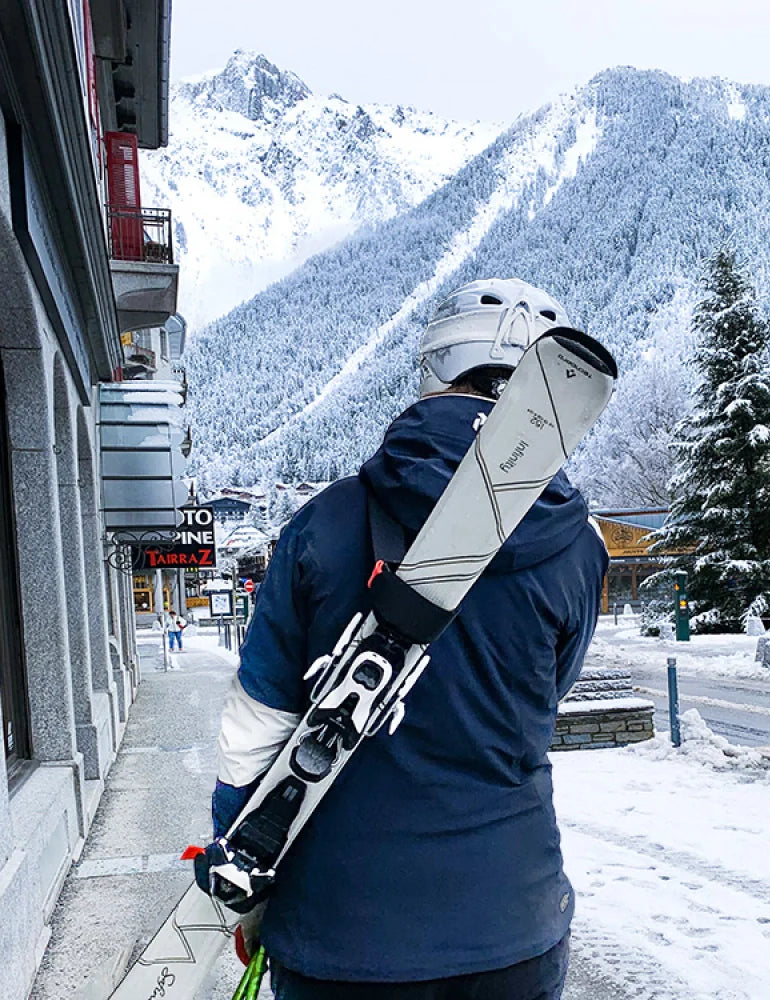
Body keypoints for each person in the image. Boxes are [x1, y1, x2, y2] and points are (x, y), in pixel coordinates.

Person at [207, 278, 608, 999]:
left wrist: (240, 864)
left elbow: (252, 735)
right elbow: (549, 694)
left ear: (432, 368)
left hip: (339, 931)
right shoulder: (578, 545)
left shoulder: (322, 524)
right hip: (510, 922)